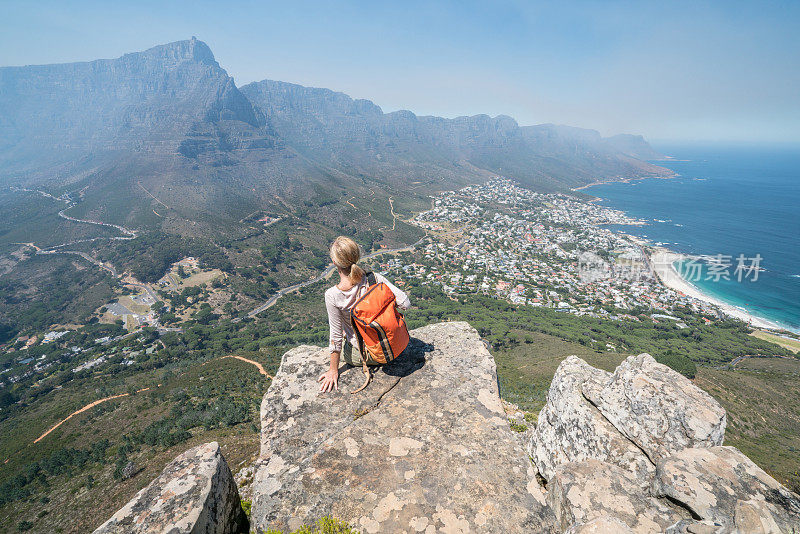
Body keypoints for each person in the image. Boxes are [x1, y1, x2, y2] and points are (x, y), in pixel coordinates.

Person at [319, 236, 410, 393]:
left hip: (367, 354)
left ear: (335, 263)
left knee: (344, 338)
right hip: (395, 344)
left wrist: (333, 370)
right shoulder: (374, 279)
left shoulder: (333, 295)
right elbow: (405, 303)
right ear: (356, 257)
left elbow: (335, 337)